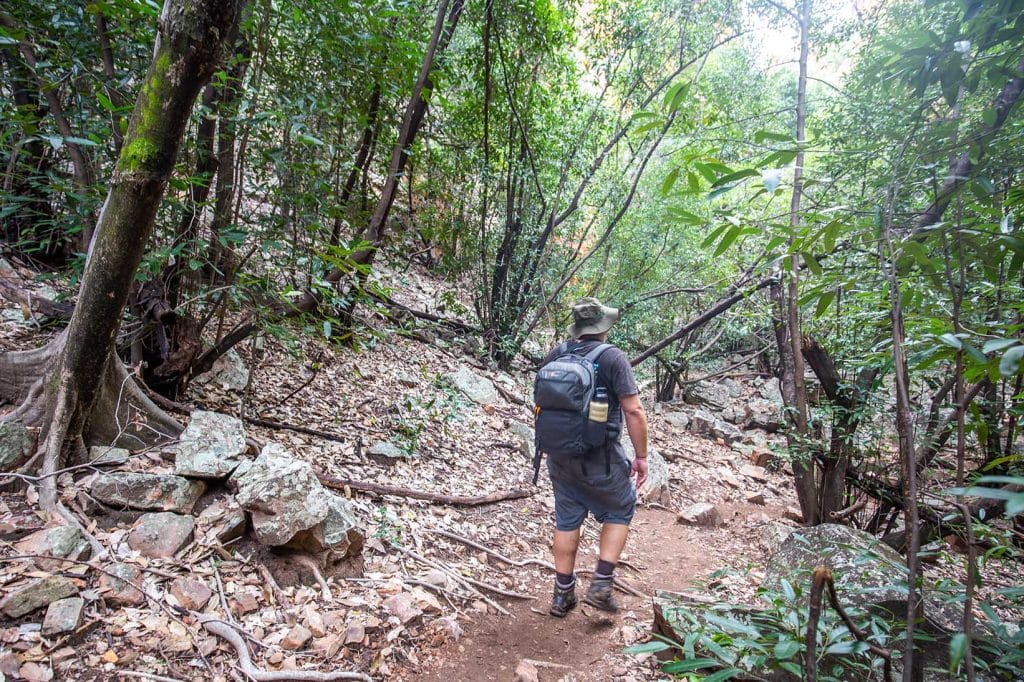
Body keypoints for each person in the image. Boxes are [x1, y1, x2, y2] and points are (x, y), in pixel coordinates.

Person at [539, 297, 648, 616]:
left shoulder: (556, 353)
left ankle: (562, 595)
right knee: (620, 506)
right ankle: (601, 584)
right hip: (600, 457)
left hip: (559, 455)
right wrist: (641, 457)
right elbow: (634, 410)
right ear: (603, 327)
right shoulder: (613, 357)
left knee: (567, 517)